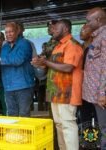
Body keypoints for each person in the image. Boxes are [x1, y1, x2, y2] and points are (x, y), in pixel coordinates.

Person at [32, 19, 83, 150]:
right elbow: (54, 66)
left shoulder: (72, 45)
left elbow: (68, 68)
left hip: (67, 93)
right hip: (55, 92)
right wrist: (41, 63)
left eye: (56, 28)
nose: (52, 30)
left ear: (65, 29)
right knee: (59, 125)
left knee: (67, 124)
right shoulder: (58, 46)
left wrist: (46, 62)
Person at [0, 22, 35, 117]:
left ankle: (23, 132)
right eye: (6, 32)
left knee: (24, 114)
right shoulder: (5, 47)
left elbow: (18, 60)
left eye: (11, 32)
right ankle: (14, 132)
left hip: (23, 86)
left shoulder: (25, 43)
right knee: (11, 114)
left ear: (17, 31)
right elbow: (2, 64)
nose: (8, 34)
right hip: (8, 87)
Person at [83, 7, 106, 149]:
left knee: (104, 127)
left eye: (88, 21)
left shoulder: (105, 36)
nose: (86, 25)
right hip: (95, 94)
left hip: (101, 95)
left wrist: (103, 94)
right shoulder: (97, 36)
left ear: (98, 20)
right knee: (101, 125)